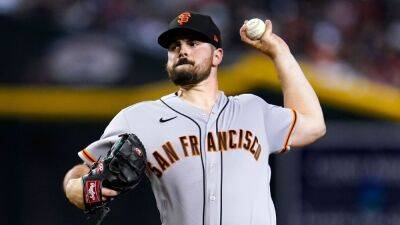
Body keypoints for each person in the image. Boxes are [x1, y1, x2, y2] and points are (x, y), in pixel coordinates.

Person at [63, 11, 325, 225]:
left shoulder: (253, 110)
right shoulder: (139, 118)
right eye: (174, 46)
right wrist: (74, 188)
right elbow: (80, 171)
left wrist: (280, 53)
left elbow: (312, 124)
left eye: (194, 43)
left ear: (217, 56)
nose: (182, 51)